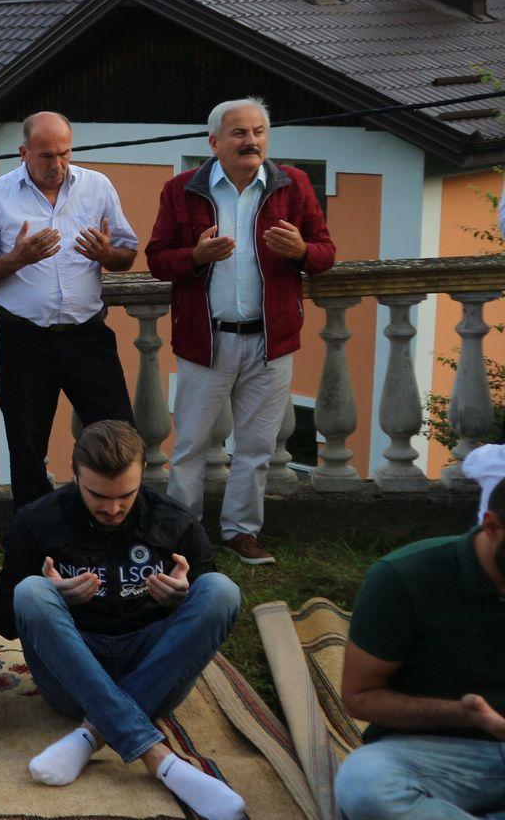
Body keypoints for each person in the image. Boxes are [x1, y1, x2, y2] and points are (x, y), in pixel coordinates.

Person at [0, 421, 246, 820]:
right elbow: (3, 617)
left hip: (153, 666)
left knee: (220, 590)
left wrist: (182, 595)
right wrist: (55, 594)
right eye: (98, 496)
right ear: (75, 476)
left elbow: (206, 598)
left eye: (126, 495)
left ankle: (91, 735)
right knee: (31, 592)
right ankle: (160, 758)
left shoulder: (173, 520)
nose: (112, 508)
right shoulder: (37, 520)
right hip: (73, 671)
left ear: (143, 474)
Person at [149, 99, 336, 567]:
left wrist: (299, 251)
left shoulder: (292, 186)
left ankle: (240, 532)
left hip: (270, 341)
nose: (250, 141)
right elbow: (157, 260)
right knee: (190, 445)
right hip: (205, 341)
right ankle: (182, 537)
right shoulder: (181, 190)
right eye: (239, 133)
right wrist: (195, 256)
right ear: (214, 142)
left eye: (258, 131)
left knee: (255, 447)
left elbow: (325, 253)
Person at [0, 112, 138, 507]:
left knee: (119, 435)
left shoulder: (97, 186)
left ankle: (117, 524)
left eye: (64, 153)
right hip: (25, 340)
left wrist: (108, 254)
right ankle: (35, 534)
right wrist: (16, 259)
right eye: (46, 156)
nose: (57, 165)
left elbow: (127, 254)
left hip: (88, 335)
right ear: (23, 152)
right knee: (26, 446)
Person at [331, 479, 505, 820]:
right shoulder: (404, 578)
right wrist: (464, 714)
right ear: (492, 526)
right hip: (434, 755)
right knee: (365, 785)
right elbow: (359, 697)